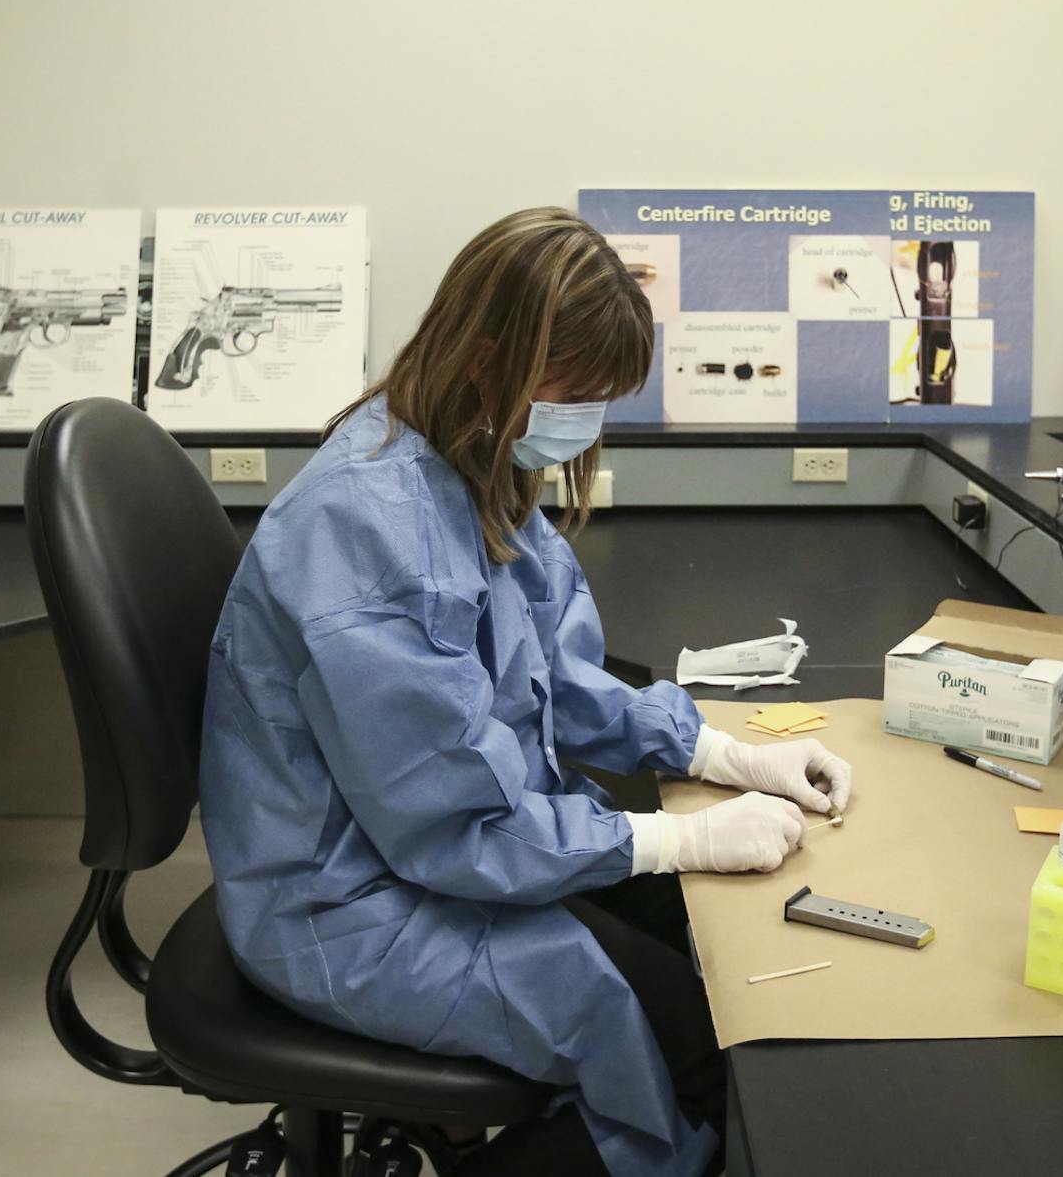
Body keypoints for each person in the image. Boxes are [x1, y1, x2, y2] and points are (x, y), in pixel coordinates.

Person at [198, 208, 854, 1176]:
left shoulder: (463, 459)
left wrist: (718, 752)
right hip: (347, 902)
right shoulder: (376, 532)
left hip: (428, 853)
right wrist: (679, 837)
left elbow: (549, 675)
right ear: (490, 356)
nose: (587, 417)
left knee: (711, 966)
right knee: (683, 1055)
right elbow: (453, 829)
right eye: (578, 390)